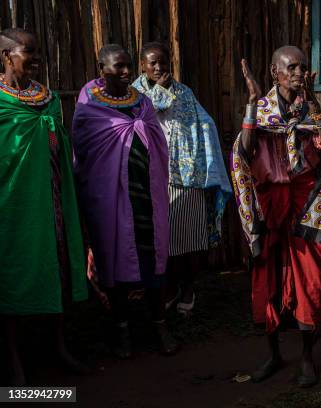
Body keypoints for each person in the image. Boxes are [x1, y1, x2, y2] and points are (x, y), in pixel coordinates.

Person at [231, 46, 321, 387]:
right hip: (270, 210)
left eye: (303, 67)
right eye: (292, 67)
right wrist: (252, 102)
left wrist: (312, 101)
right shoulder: (263, 109)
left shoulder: (310, 109)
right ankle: (273, 354)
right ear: (275, 71)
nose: (299, 72)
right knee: (267, 283)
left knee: (309, 283)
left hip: (305, 209)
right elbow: (245, 151)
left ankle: (307, 359)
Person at [72, 44, 177, 358]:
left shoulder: (142, 102)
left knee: (154, 259)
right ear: (101, 67)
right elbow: (85, 154)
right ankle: (121, 330)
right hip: (109, 200)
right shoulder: (89, 103)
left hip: (146, 194)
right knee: (114, 259)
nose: (126, 72)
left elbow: (155, 142)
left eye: (129, 66)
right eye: (118, 67)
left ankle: (159, 324)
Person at [0, 28, 89, 385]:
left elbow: (56, 146)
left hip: (50, 202)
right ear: (7, 56)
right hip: (12, 207)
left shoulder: (48, 99)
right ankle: (13, 358)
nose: (37, 58)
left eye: (38, 53)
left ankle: (58, 347)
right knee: (12, 274)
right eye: (28, 52)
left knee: (58, 270)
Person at [132, 42, 232, 314]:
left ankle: (187, 288)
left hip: (187, 176)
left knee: (188, 240)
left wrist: (204, 158)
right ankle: (165, 288)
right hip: (152, 177)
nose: (158, 67)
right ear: (142, 65)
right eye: (152, 62)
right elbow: (142, 120)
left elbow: (205, 122)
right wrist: (162, 94)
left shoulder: (184, 92)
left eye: (163, 62)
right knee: (159, 241)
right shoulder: (135, 94)